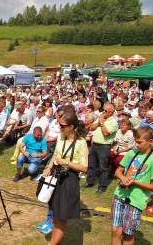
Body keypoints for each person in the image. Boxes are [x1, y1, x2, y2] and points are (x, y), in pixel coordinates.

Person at [43, 111, 88, 245]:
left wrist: (66, 163)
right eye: (59, 125)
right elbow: (55, 155)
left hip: (69, 180)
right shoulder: (60, 137)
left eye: (63, 126)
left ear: (72, 126)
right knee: (56, 214)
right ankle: (54, 242)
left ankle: (53, 243)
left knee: (62, 216)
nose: (60, 128)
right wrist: (48, 168)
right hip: (56, 177)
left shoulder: (81, 143)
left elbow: (85, 167)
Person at [111, 127, 153, 245]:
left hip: (136, 201)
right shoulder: (131, 153)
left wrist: (135, 182)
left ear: (150, 142)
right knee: (115, 230)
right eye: (135, 141)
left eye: (139, 142)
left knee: (127, 234)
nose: (136, 145)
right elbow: (118, 171)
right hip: (120, 195)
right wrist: (123, 178)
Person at [86, 102, 118, 193]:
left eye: (105, 110)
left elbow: (106, 133)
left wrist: (102, 123)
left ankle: (102, 185)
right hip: (94, 144)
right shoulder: (101, 118)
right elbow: (91, 128)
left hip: (104, 146)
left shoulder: (113, 122)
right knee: (91, 165)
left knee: (103, 167)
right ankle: (90, 182)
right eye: (103, 110)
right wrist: (99, 121)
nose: (103, 112)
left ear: (111, 112)